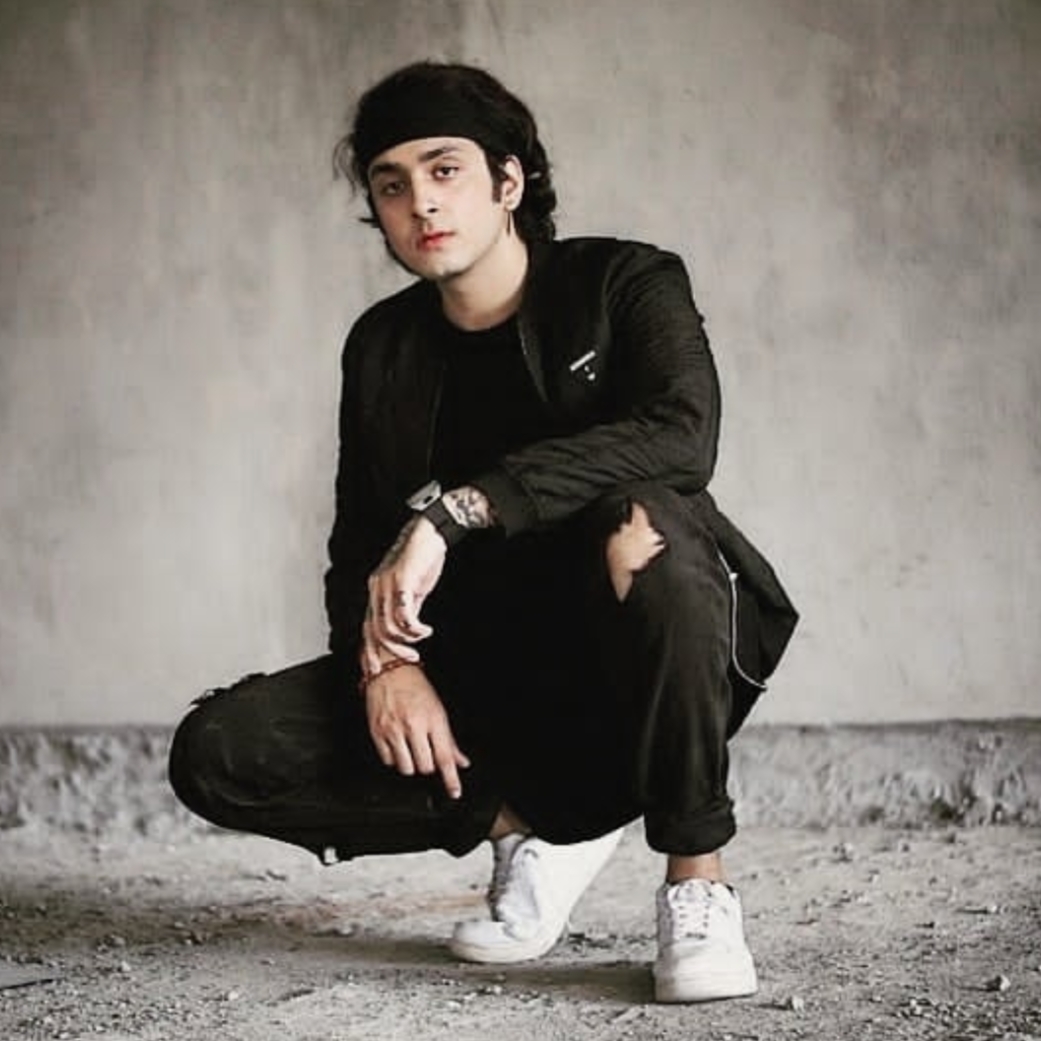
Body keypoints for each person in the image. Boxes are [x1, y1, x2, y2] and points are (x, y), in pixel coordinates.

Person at [168, 60, 798, 1004]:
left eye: (444, 169)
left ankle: (695, 882)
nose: (419, 202)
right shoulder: (382, 347)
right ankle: (532, 828)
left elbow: (681, 435)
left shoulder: (623, 281)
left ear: (508, 181)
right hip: (485, 679)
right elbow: (359, 544)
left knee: (648, 526)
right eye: (391, 184)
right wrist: (385, 667)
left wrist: (457, 509)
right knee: (220, 749)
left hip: (633, 654)